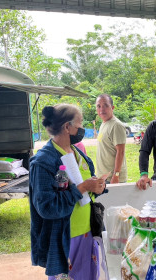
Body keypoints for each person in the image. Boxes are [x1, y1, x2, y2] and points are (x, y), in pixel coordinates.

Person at [29, 104, 107, 279]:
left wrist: (97, 187)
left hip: (87, 232)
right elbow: (46, 207)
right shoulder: (44, 162)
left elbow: (87, 186)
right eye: (79, 124)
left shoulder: (79, 154)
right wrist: (82, 188)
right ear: (67, 127)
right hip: (64, 238)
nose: (82, 128)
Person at [96, 94, 127, 184]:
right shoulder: (104, 123)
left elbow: (120, 151)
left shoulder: (116, 125)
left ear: (112, 107)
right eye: (99, 106)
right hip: (104, 177)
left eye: (105, 105)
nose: (102, 109)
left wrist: (116, 176)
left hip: (113, 179)